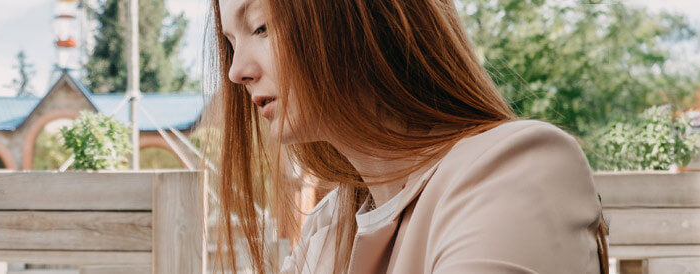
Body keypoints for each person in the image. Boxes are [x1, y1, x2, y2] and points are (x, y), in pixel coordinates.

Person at [208, 0, 609, 272]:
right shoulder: (326, 227)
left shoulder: (517, 170)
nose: (236, 69)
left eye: (261, 27)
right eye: (230, 42)